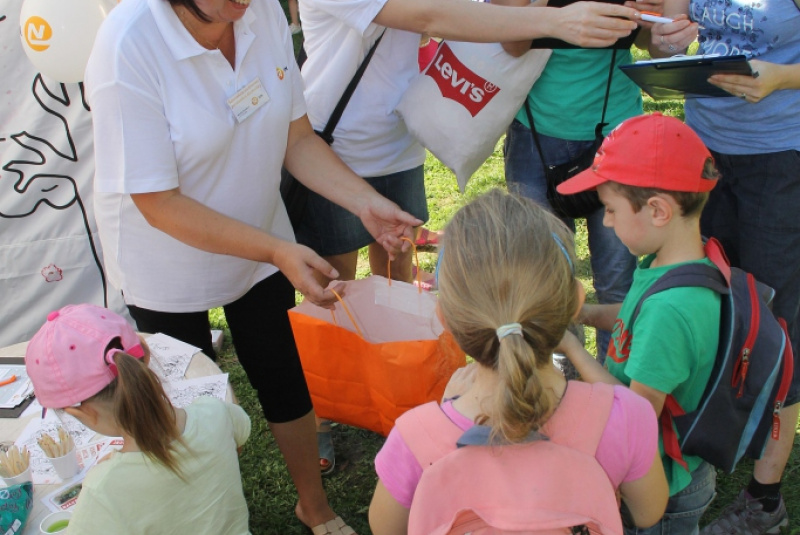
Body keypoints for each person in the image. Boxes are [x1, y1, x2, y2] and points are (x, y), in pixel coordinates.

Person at [84, 0, 423, 532]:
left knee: (283, 373)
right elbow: (157, 202)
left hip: (263, 233)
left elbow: (297, 138)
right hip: (167, 262)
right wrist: (275, 250)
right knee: (184, 406)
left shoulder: (258, 10)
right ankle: (205, 514)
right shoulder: (129, 44)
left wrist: (363, 202)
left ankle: (313, 505)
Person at [296, 0, 648, 473]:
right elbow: (431, 18)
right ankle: (322, 411)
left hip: (401, 141)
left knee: (397, 281)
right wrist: (555, 19)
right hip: (335, 147)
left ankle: (393, 393)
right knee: (335, 289)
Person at [368, 189, 669, 535]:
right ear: (575, 303)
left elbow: (385, 528)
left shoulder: (413, 437)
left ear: (445, 319)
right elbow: (648, 512)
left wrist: (445, 407)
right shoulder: (623, 415)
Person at [651, 6, 800, 534]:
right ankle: (689, 463)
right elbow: (662, 33)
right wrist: (664, 44)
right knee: (704, 303)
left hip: (781, 156)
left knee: (776, 323)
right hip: (705, 149)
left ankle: (764, 499)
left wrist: (783, 76)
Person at [555, 113, 722, 534]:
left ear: (658, 211)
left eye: (610, 209)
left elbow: (636, 416)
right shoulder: (677, 263)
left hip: (664, 487)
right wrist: (585, 315)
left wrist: (574, 349)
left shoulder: (672, 310)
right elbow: (635, 312)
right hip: (672, 467)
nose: (606, 221)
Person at [496, 0, 679, 361]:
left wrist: (653, 18)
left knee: (617, 278)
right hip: (537, 133)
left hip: (616, 133)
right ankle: (561, 384)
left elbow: (651, 41)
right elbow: (510, 41)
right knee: (545, 276)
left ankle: (615, 387)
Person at [24, 304, 252, 535]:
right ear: (146, 354)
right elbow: (239, 437)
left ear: (82, 413)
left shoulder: (103, 490)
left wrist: (116, 474)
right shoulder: (215, 412)